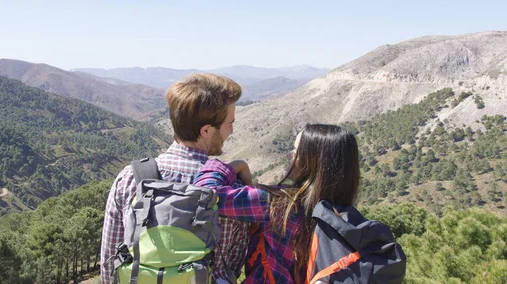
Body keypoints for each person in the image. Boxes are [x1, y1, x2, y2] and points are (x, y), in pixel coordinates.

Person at [195, 124, 405, 283]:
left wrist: (227, 166)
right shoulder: (342, 220)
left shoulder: (276, 203)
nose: (289, 154)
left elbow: (206, 195)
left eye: (296, 151)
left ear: (310, 161)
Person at [100, 73, 250, 283]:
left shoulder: (129, 179)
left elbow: (110, 265)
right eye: (229, 123)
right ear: (206, 130)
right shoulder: (232, 188)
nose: (232, 131)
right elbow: (232, 267)